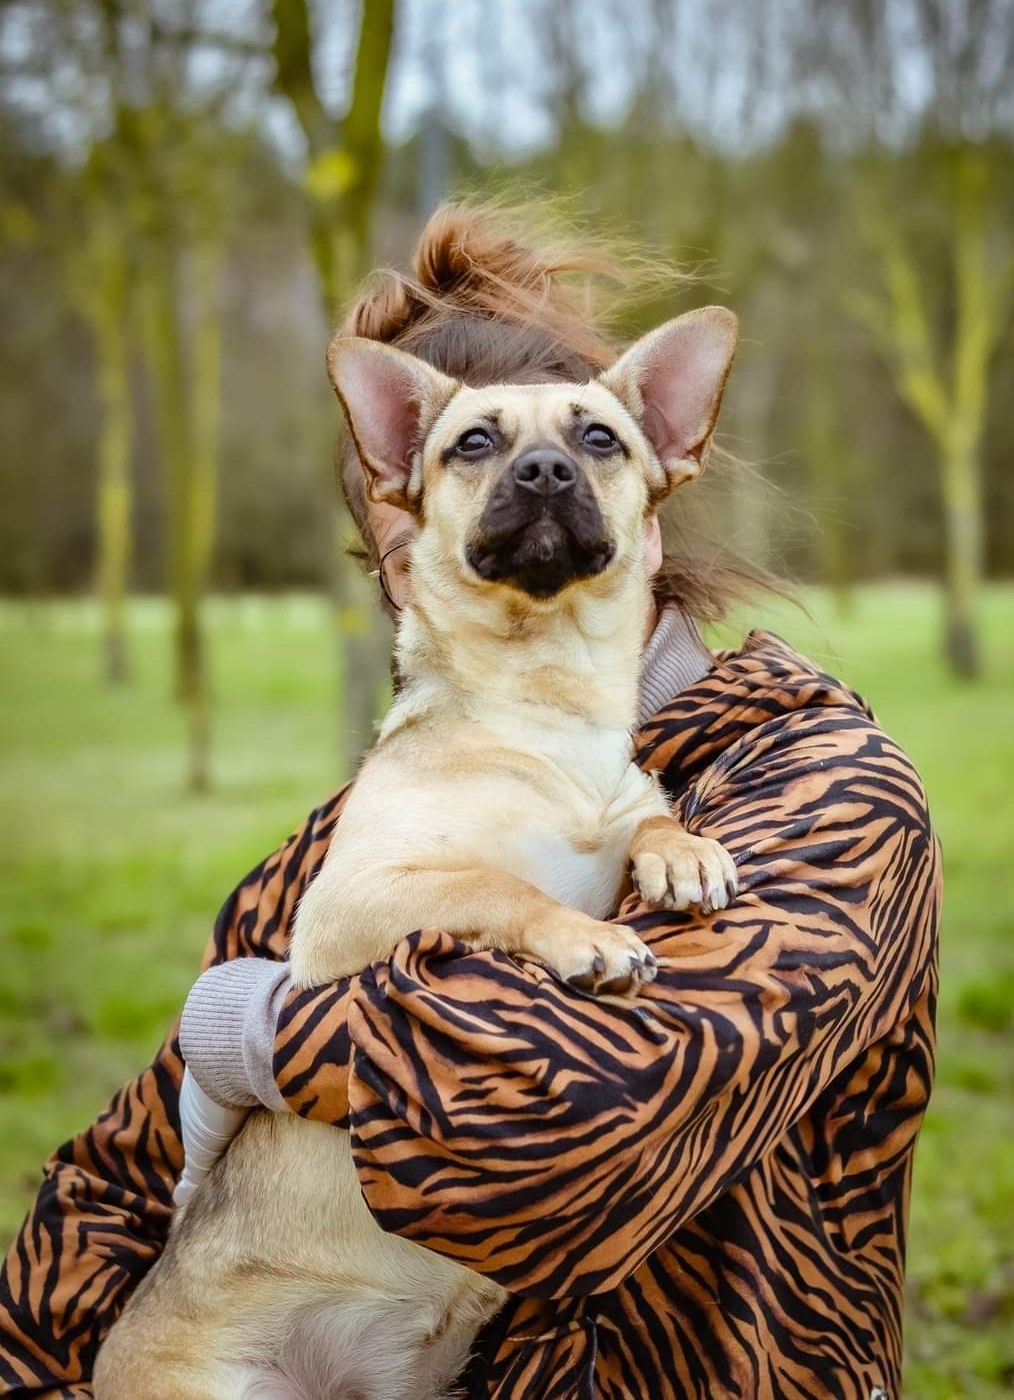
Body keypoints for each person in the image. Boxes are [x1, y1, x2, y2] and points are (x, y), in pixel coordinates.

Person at [0, 205, 941, 1400]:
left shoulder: (826, 791)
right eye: (474, 460)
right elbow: (117, 1193)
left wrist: (250, 1031)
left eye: (593, 447)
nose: (538, 472)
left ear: (658, 493)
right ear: (406, 555)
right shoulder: (358, 830)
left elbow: (573, 1124)